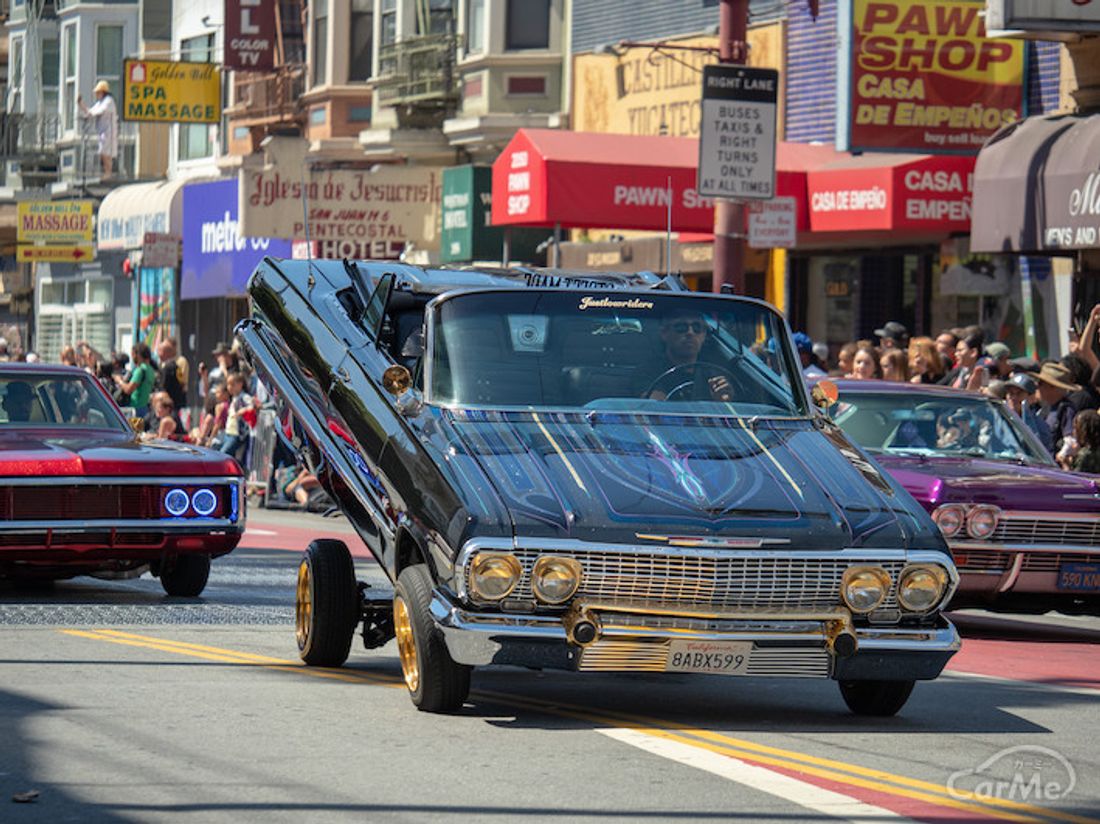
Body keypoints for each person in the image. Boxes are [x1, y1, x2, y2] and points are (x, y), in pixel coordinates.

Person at [644, 311, 732, 401]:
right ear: (664, 333)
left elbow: (728, 407)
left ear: (704, 335)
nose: (690, 333)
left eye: (697, 328)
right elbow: (654, 406)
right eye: (681, 327)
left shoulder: (715, 375)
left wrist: (723, 400)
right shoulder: (647, 372)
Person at [1035, 361, 1081, 457]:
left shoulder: (1066, 409)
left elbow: (1071, 441)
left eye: (1040, 383)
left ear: (1052, 387)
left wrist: (1061, 456)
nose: (1037, 386)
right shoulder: (1045, 408)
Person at [77, 80, 118, 178]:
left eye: (98, 92)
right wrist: (81, 104)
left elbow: (98, 112)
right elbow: (91, 111)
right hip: (102, 131)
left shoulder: (109, 101)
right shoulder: (100, 102)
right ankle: (107, 172)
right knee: (104, 152)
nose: (96, 94)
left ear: (103, 92)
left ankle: (108, 173)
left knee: (105, 152)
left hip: (109, 131)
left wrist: (89, 113)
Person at [115, 343, 156, 417]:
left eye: (133, 354)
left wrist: (119, 381)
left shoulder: (140, 370)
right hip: (145, 408)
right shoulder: (151, 370)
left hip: (135, 409)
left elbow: (128, 389)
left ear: (138, 355)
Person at [155, 338, 189, 413]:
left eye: (160, 351)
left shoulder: (170, 366)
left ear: (166, 352)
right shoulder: (165, 365)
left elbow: (164, 386)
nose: (158, 353)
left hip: (171, 403)